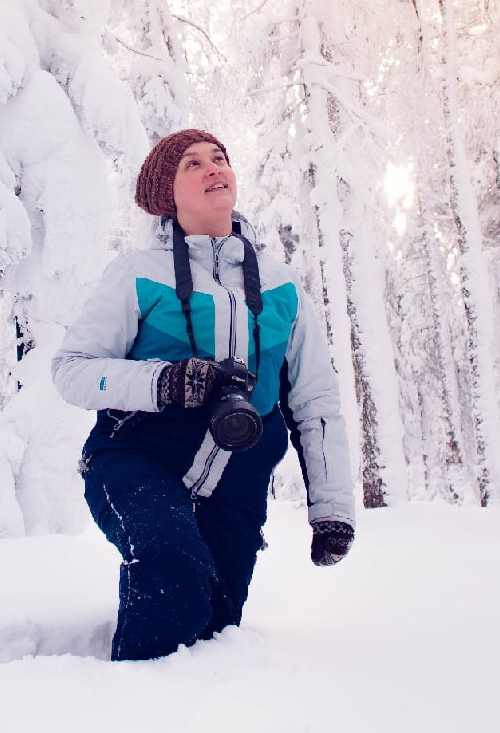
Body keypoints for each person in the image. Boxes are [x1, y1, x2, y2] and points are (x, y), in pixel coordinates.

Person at [51, 128, 356, 661]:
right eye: (193, 164)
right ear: (169, 196)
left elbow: (316, 402)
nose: (214, 168)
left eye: (220, 158)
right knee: (173, 568)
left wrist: (331, 508)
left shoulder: (284, 287)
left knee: (214, 626)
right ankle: (126, 704)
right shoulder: (136, 275)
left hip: (237, 475)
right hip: (138, 457)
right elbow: (71, 371)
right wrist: (163, 382)